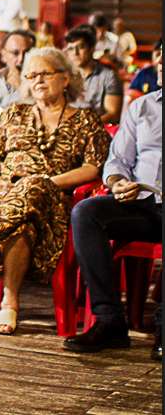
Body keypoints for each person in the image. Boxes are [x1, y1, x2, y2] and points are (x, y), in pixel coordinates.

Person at [0, 48, 110, 335]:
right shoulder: (14, 113)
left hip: (54, 202)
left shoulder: (86, 121)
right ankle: (10, 301)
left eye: (45, 73)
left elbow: (93, 168)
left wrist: (49, 182)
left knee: (35, 186)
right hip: (3, 198)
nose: (37, 80)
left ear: (65, 79)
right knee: (22, 222)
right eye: (31, 75)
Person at [66, 51, 161, 359]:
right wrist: (118, 183)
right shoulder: (141, 107)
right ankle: (109, 321)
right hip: (141, 203)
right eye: (161, 59)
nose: (160, 65)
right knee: (86, 213)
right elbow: (117, 160)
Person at [64, 25, 122, 124]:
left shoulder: (109, 76)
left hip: (95, 130)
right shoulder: (65, 76)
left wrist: (86, 127)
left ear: (92, 49)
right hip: (67, 128)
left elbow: (113, 113)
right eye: (71, 49)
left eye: (81, 47)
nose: (75, 53)